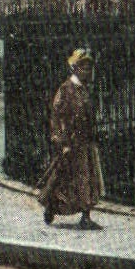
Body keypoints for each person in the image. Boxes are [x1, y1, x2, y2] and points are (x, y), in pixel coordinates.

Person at [37, 48, 105, 230]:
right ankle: (51, 204)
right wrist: (62, 142)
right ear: (75, 68)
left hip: (85, 141)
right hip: (71, 142)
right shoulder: (66, 90)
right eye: (84, 67)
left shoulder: (84, 89)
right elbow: (57, 117)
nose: (88, 71)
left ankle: (86, 216)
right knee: (65, 178)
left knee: (87, 177)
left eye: (89, 68)